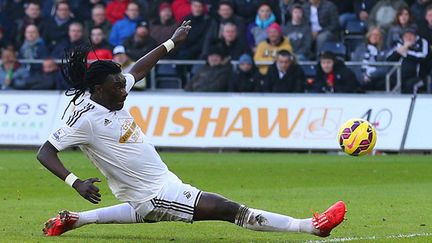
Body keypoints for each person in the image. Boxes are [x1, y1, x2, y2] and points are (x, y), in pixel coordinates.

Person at [37, 20, 346, 238]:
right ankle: (311, 227)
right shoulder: (84, 117)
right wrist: (75, 182)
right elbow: (45, 152)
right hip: (156, 194)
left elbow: (138, 70)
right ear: (98, 89)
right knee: (230, 210)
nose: (124, 89)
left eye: (122, 84)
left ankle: (75, 221)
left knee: (139, 211)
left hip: (154, 188)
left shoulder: (112, 89)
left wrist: (172, 42)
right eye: (118, 86)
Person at [387, 27, 429, 93]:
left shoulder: (422, 42)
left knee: (410, 86)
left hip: (417, 77)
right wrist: (404, 47)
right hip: (398, 76)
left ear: (415, 37)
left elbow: (423, 57)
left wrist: (405, 53)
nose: (409, 38)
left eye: (411, 35)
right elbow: (388, 58)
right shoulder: (399, 44)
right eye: (406, 36)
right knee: (382, 83)